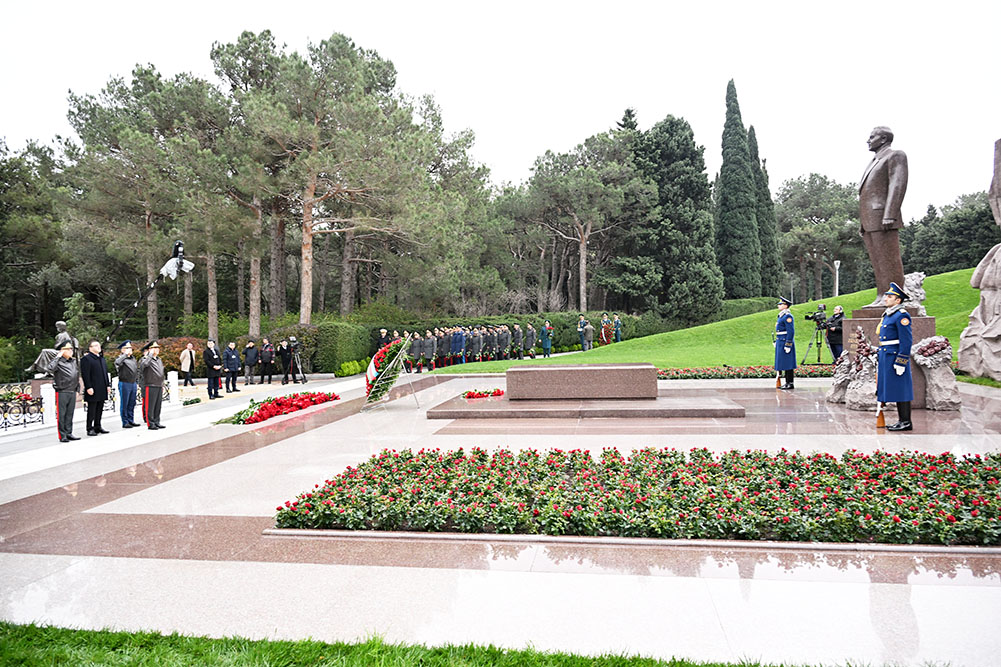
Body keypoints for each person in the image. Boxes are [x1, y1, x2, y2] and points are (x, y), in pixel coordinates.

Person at [859, 126, 908, 305]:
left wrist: (890, 214)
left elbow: (897, 184)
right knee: (878, 261)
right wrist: (862, 222)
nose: (868, 140)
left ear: (884, 139)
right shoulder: (875, 160)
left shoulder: (895, 156)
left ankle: (895, 297)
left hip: (883, 216)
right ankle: (882, 296)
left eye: (872, 137)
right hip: (870, 219)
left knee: (889, 261)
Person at [877, 282, 914, 431]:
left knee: (902, 389)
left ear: (898, 300)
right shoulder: (889, 314)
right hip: (886, 355)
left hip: (895, 357)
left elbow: (906, 340)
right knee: (895, 389)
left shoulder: (901, 315)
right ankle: (901, 420)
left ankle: (906, 421)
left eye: (890, 296)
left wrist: (901, 361)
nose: (886, 298)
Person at [48, 340, 80, 442]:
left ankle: (69, 432)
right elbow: (50, 368)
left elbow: (76, 375)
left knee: (70, 414)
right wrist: (58, 357)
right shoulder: (58, 362)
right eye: (68, 349)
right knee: (62, 414)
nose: (71, 351)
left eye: (71, 349)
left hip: (72, 390)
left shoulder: (73, 361)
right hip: (62, 391)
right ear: (61, 351)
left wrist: (77, 388)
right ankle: (62, 435)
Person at [81, 339, 111, 436]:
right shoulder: (87, 359)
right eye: (96, 345)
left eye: (99, 345)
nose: (99, 347)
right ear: (90, 348)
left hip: (102, 387)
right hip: (93, 387)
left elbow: (105, 373)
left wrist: (108, 385)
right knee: (92, 409)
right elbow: (85, 374)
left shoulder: (101, 358)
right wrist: (88, 386)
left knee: (100, 408)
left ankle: (98, 426)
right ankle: (90, 428)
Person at [138, 341, 165, 429]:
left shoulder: (158, 359)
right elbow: (144, 365)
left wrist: (162, 383)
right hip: (150, 384)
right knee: (150, 405)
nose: (157, 350)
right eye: (155, 348)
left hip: (158, 384)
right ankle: (150, 423)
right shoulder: (146, 359)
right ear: (150, 349)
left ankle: (157, 421)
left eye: (158, 348)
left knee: (158, 405)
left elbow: (161, 371)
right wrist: (150, 355)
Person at [114, 340, 140, 428]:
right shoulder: (121, 358)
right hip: (125, 382)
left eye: (130, 348)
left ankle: (130, 420)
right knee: (125, 403)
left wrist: (137, 381)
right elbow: (117, 363)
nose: (130, 349)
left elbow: (136, 370)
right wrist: (125, 355)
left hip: (133, 382)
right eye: (127, 348)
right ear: (123, 350)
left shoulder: (133, 358)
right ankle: (125, 422)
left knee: (132, 402)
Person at [774, 297, 797, 390]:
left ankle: (789, 382)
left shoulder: (787, 316)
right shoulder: (781, 316)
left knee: (788, 363)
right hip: (780, 341)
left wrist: (788, 344)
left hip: (785, 342)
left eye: (781, 304)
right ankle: (786, 382)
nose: (779, 305)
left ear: (786, 306)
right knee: (782, 362)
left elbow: (790, 331)